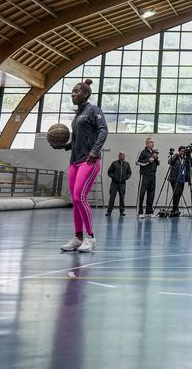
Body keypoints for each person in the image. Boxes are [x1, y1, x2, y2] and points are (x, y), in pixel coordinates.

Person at [51, 79, 108, 253]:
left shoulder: (94, 110)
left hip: (89, 160)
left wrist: (95, 150)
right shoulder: (77, 115)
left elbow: (103, 130)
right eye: (72, 91)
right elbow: (77, 139)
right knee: (75, 201)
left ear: (86, 94)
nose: (73, 94)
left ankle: (90, 237)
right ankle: (78, 237)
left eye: (77, 91)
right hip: (74, 161)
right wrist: (65, 146)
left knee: (79, 197)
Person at [135, 137, 159, 218]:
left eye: (153, 142)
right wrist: (148, 161)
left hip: (153, 175)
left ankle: (149, 211)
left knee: (151, 194)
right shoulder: (143, 151)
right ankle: (140, 212)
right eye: (151, 142)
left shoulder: (154, 152)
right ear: (147, 143)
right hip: (145, 175)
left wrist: (156, 159)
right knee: (142, 193)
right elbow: (137, 162)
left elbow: (157, 163)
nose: (153, 143)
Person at [168, 146, 192, 216]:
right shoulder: (176, 157)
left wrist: (189, 156)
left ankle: (176, 208)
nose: (183, 153)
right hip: (174, 178)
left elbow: (191, 164)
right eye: (182, 151)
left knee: (179, 194)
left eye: (184, 151)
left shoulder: (185, 158)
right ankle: (175, 208)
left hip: (182, 178)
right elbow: (170, 162)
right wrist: (175, 155)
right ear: (179, 151)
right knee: (176, 193)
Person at [106, 151, 131, 217]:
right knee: (112, 197)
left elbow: (129, 173)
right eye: (120, 154)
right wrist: (114, 177)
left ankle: (122, 212)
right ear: (118, 155)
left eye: (123, 154)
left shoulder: (127, 164)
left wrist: (126, 178)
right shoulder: (114, 163)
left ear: (125, 156)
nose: (122, 155)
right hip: (114, 183)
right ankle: (109, 211)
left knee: (122, 198)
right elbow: (109, 172)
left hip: (122, 184)